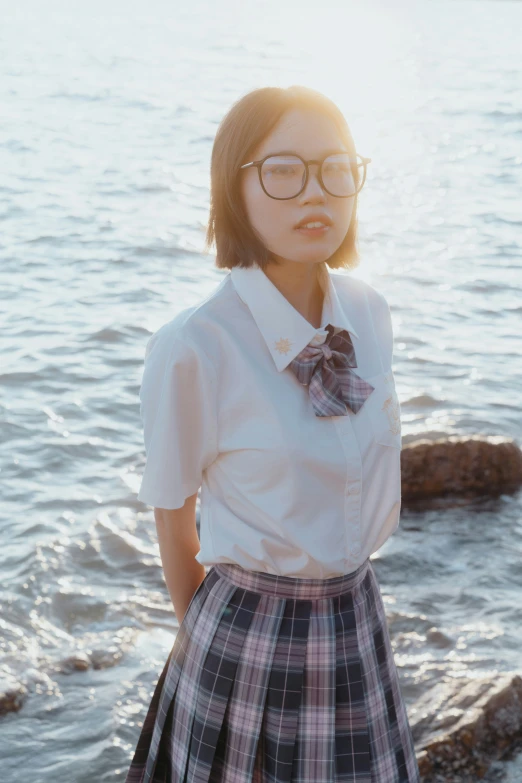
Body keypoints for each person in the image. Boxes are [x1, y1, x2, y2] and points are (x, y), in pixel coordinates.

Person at [125, 85, 421, 783]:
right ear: (236, 186)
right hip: (248, 637)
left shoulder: (371, 314)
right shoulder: (197, 345)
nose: (314, 192)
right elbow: (173, 523)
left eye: (335, 168)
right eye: (283, 171)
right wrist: (211, 654)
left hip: (358, 618)